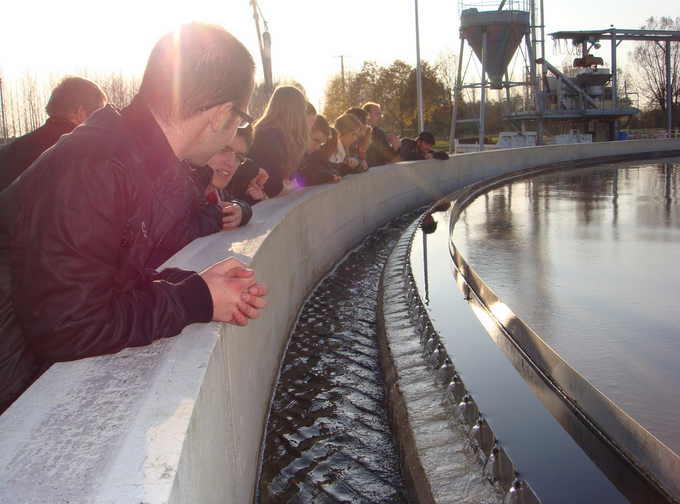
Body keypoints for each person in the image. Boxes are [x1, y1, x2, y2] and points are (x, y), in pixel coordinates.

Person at [0, 23, 268, 414]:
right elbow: (68, 326)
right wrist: (194, 300)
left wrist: (198, 284)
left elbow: (102, 275)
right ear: (221, 114)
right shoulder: (99, 163)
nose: (235, 128)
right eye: (240, 119)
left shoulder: (131, 154)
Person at [149, 126, 255, 269]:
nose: (231, 163)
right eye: (223, 150)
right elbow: (177, 235)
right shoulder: (180, 180)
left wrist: (241, 210)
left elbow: (232, 202)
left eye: (239, 157)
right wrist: (219, 213)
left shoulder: (215, 189)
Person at [0, 76, 107, 193]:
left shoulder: (9, 151)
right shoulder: (80, 155)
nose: (103, 123)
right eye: (99, 116)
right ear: (81, 113)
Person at [247, 85, 309, 200]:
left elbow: (291, 177)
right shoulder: (268, 135)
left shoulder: (281, 137)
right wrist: (290, 187)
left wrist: (287, 185)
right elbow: (275, 188)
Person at [294, 114, 341, 187]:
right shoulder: (287, 153)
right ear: (304, 132)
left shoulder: (312, 155)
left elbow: (315, 175)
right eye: (315, 141)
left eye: (321, 143)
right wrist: (327, 177)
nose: (318, 148)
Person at [363, 102, 400, 167]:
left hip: (378, 174)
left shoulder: (382, 133)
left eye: (381, 115)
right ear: (367, 115)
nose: (380, 118)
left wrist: (396, 147)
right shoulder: (357, 133)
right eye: (377, 114)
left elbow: (387, 158)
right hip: (363, 175)